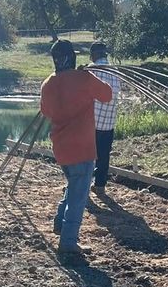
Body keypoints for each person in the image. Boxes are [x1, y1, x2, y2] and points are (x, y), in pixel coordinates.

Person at [40, 40, 113, 261]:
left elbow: (45, 111)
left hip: (61, 149)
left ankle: (60, 225)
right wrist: (85, 76)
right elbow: (107, 95)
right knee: (79, 197)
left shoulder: (48, 83)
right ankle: (68, 242)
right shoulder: (84, 78)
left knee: (73, 185)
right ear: (72, 57)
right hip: (82, 148)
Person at [88, 41, 121, 196]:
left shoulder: (91, 71)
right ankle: (100, 185)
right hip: (108, 122)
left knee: (86, 155)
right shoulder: (116, 72)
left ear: (94, 54)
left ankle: (83, 185)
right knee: (103, 155)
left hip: (91, 122)